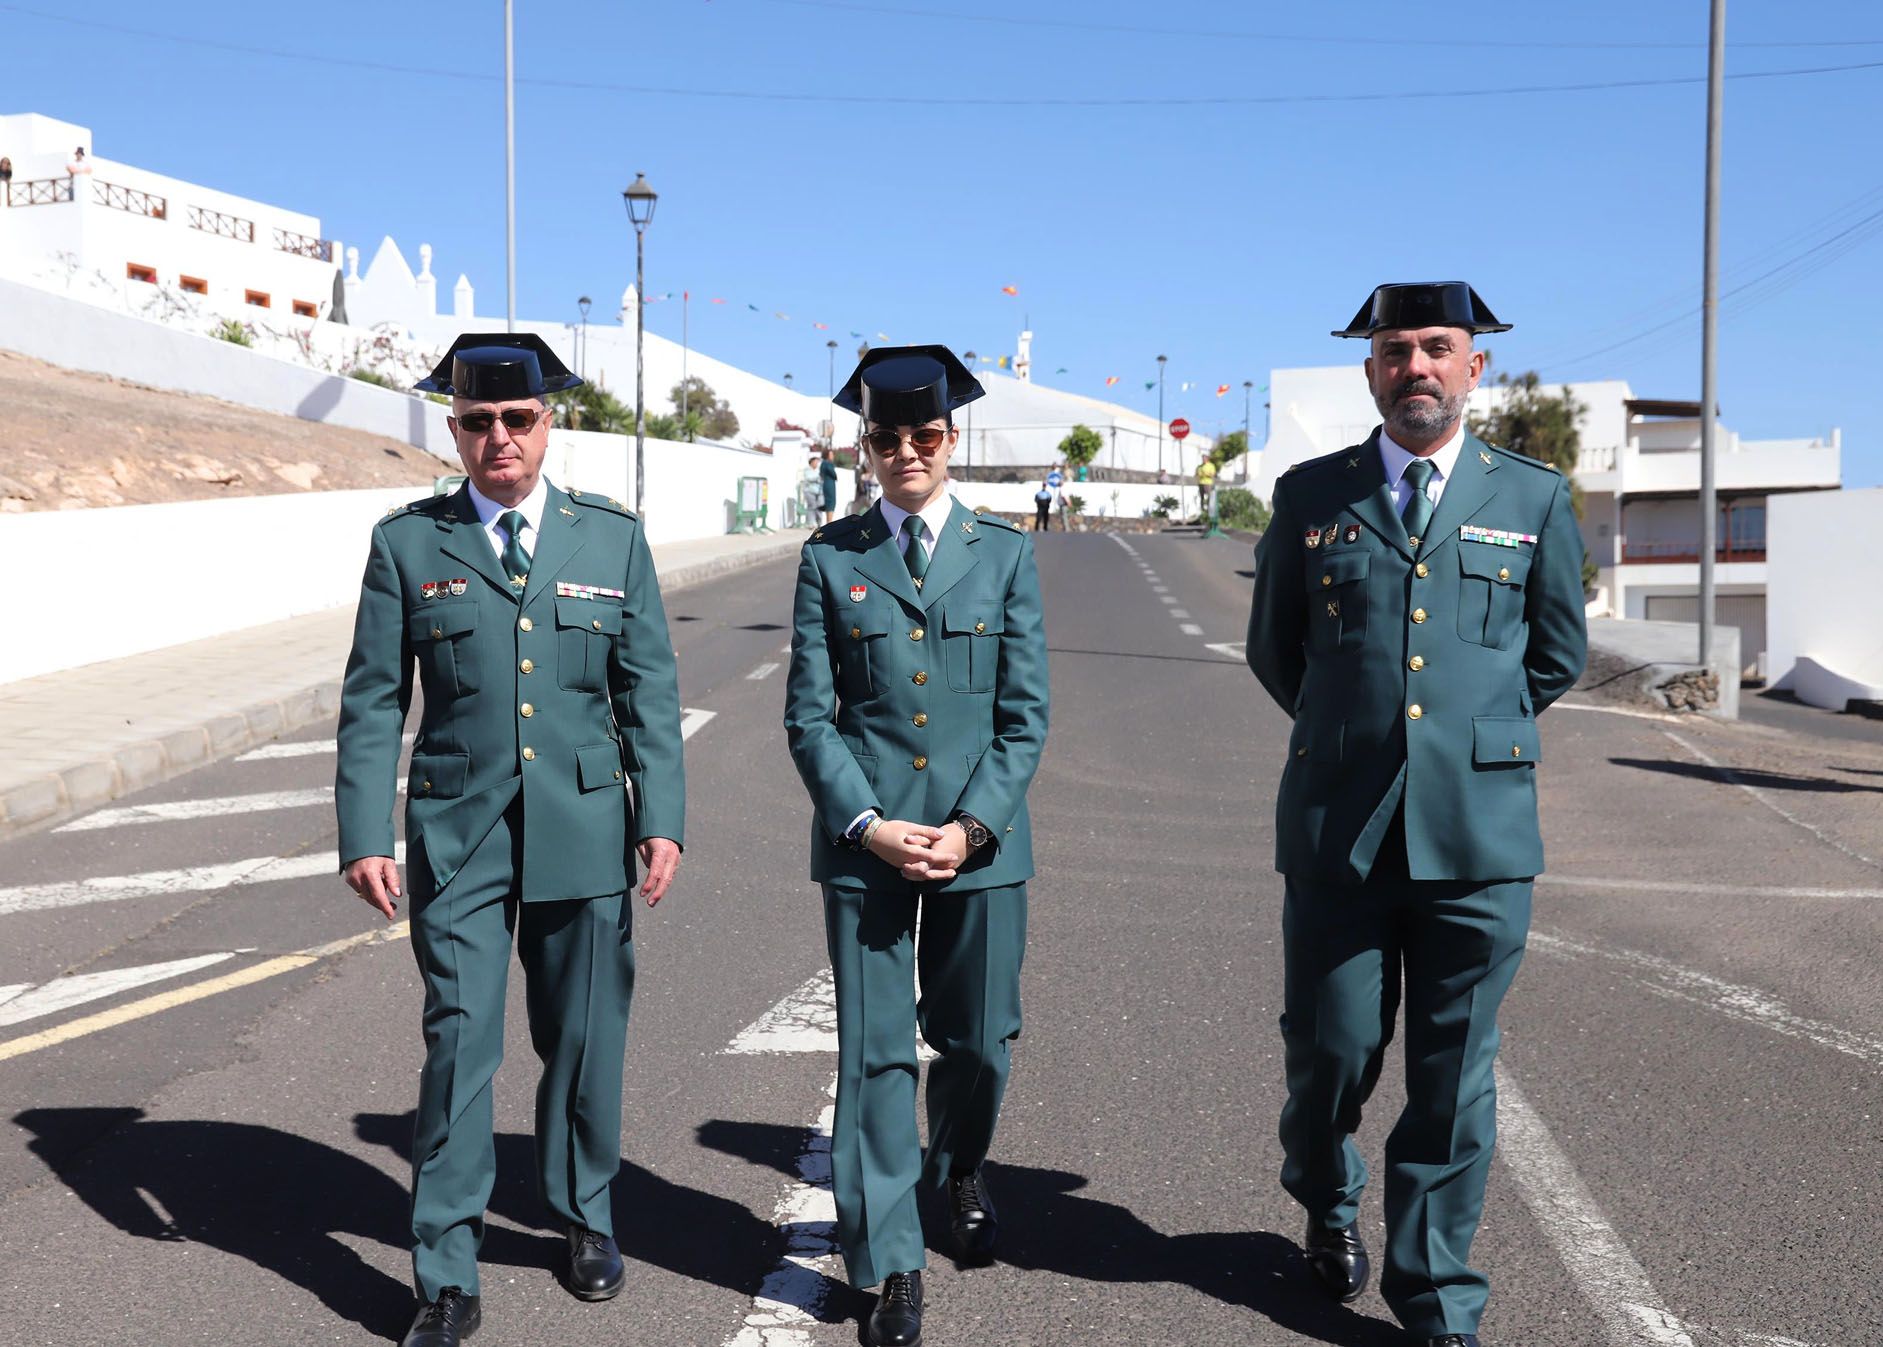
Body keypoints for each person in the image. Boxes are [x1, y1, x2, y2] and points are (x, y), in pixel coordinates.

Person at [1245, 282, 1587, 1347]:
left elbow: (1554, 654)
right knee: (1331, 1051)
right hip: (1338, 827)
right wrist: (1354, 730)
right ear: (1371, 372)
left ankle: (1436, 1295)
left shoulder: (1531, 496)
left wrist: (1456, 741)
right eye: (1395, 351)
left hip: (1478, 834)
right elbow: (1276, 650)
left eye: (1437, 348)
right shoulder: (1312, 494)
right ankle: (1323, 1193)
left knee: (1452, 1077)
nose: (1416, 368)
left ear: (1473, 367)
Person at [335, 332, 686, 1347]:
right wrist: (363, 831)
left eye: (518, 419)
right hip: (458, 832)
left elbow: (648, 692)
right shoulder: (409, 544)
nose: (500, 437)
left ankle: (584, 1215)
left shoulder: (610, 540)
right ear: (455, 430)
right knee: (459, 1042)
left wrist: (661, 817)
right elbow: (372, 699)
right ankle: (446, 1269)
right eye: (479, 421)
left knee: (582, 1036)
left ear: (547, 424)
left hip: (585, 825)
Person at [784, 345, 1049, 1347]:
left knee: (978, 1038)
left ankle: (961, 1163)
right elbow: (809, 718)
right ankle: (891, 1261)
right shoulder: (830, 557)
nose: (906, 452)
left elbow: (1023, 717)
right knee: (874, 1053)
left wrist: (970, 828)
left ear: (950, 439)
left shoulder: (1005, 553)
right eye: (887, 437)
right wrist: (867, 825)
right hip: (867, 845)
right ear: (865, 446)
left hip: (982, 842)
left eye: (924, 435)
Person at [820, 447, 841, 525]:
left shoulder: (823, 463)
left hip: (827, 483)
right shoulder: (827, 463)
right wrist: (835, 476)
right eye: (831, 454)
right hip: (829, 484)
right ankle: (829, 522)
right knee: (831, 502)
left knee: (829, 502)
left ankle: (829, 521)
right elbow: (832, 473)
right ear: (827, 455)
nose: (833, 456)